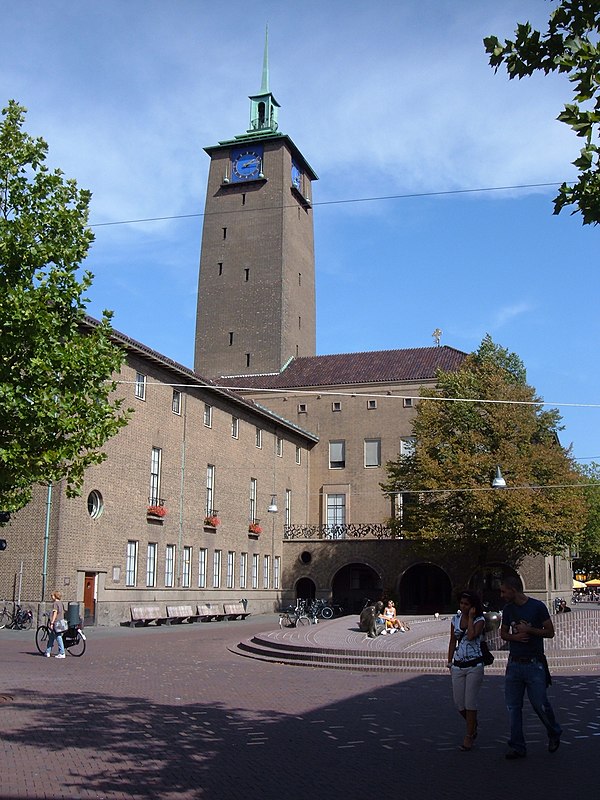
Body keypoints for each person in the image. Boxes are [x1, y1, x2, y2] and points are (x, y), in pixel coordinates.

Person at [500, 575, 562, 759]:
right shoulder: (508, 609)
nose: (502, 595)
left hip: (534, 664)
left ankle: (554, 731)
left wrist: (529, 630)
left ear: (513, 590)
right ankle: (517, 746)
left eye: (504, 591)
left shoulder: (537, 607)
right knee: (513, 707)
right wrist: (514, 637)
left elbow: (550, 632)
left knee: (540, 703)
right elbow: (503, 633)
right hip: (514, 663)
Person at [447, 590, 486, 751]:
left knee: (470, 701)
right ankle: (472, 723)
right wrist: (449, 662)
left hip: (474, 665)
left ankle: (469, 735)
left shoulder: (479, 620)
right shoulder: (455, 619)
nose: (463, 606)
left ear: (473, 606)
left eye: (467, 604)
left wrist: (470, 617)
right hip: (458, 664)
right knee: (459, 703)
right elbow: (452, 641)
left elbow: (470, 636)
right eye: (462, 603)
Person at [45, 590, 66, 659]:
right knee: (51, 636)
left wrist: (52, 622)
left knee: (58, 636)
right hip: (61, 621)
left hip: (56, 622)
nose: (51, 597)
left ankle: (62, 652)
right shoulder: (61, 603)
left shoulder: (55, 604)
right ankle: (48, 651)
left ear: (55, 596)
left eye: (52, 596)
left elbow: (55, 613)